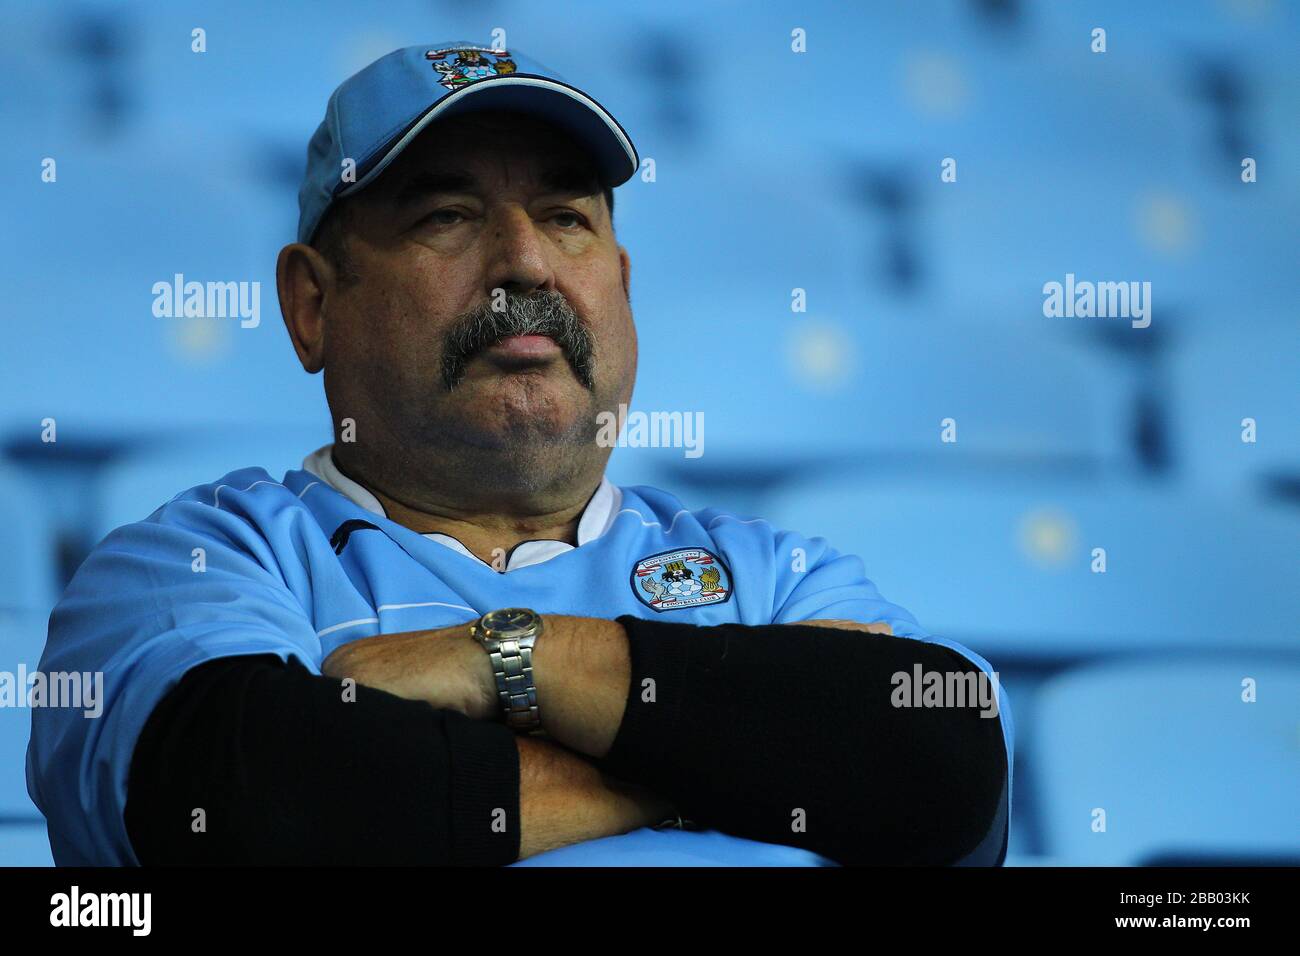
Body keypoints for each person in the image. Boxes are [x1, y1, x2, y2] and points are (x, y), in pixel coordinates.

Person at [27, 43, 1012, 866]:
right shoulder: (201, 560)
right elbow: (245, 797)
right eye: (446, 216)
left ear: (619, 284)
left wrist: (504, 663)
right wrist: (734, 749)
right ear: (312, 304)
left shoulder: (771, 571)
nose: (524, 263)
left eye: (565, 216)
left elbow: (943, 763)